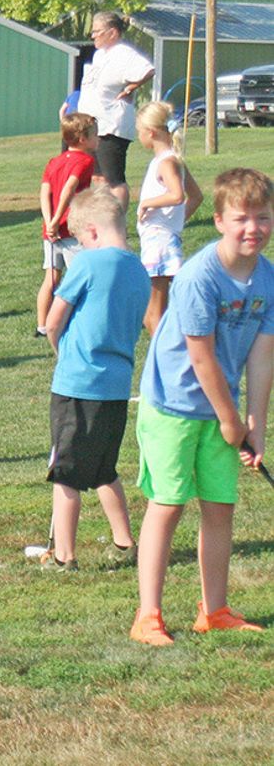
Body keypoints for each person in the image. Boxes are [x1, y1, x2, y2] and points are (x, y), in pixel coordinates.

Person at [129, 168, 273, 646]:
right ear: (218, 221)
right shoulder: (198, 276)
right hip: (173, 404)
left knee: (220, 506)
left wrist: (255, 422)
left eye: (263, 218)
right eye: (241, 218)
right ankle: (148, 615)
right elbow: (200, 354)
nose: (252, 228)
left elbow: (262, 351)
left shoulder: (267, 278)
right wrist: (231, 420)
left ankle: (214, 610)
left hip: (220, 410)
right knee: (167, 504)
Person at [41, 188, 151, 571]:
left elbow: (53, 321)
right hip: (117, 385)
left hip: (78, 383)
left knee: (65, 473)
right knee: (104, 467)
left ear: (90, 233)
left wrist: (62, 354)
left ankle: (63, 556)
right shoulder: (140, 269)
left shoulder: (87, 265)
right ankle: (124, 543)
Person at [135, 101, 204, 336]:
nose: (139, 137)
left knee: (154, 313)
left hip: (159, 242)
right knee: (153, 310)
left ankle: (164, 357)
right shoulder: (173, 160)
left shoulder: (166, 162)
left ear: (151, 132)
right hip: (162, 238)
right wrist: (175, 222)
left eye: (139, 132)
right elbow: (196, 197)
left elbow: (177, 195)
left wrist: (147, 203)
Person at [77, 11, 154, 210]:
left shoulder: (124, 53)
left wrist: (131, 88)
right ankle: (105, 217)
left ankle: (118, 222)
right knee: (98, 177)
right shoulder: (100, 54)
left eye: (97, 31)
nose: (93, 35)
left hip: (111, 125)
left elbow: (148, 70)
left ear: (112, 32)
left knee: (113, 179)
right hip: (94, 125)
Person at [35, 113, 97, 338]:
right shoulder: (86, 161)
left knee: (51, 278)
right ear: (82, 139)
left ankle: (42, 325)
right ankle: (79, 322)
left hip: (51, 233)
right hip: (71, 230)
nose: (97, 138)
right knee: (79, 277)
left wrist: (48, 221)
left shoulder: (54, 162)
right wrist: (57, 220)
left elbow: (45, 192)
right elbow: (69, 189)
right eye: (95, 134)